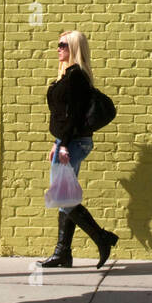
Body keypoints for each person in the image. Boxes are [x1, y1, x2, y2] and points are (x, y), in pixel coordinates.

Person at [38, 30, 118, 268]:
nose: (58, 48)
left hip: (72, 143)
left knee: (63, 198)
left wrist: (61, 145)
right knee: (66, 197)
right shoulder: (70, 75)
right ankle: (63, 252)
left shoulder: (76, 77)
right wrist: (59, 142)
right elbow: (65, 116)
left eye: (63, 45)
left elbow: (72, 118)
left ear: (74, 48)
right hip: (70, 142)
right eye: (58, 44)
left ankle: (102, 238)